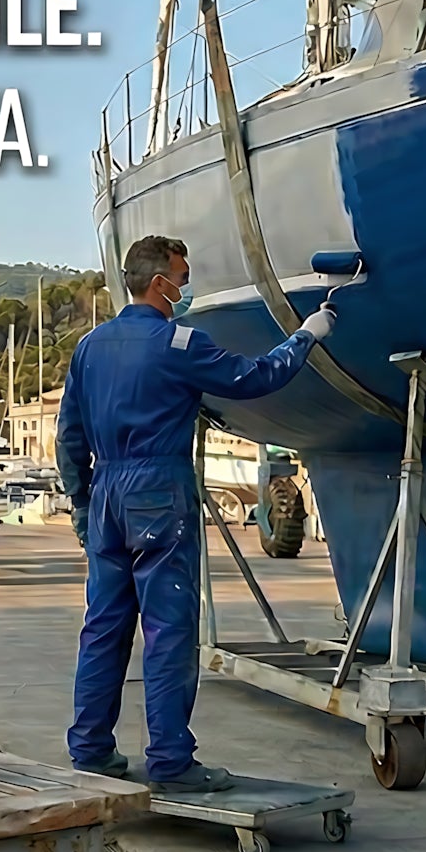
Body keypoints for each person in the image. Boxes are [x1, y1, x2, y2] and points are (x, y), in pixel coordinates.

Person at [58, 235, 334, 792]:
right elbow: (258, 378)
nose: (186, 290)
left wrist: (83, 504)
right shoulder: (179, 343)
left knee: (103, 629)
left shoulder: (90, 347)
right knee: (168, 632)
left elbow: (68, 437)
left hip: (107, 493)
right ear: (159, 284)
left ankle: (90, 749)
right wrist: (308, 335)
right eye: (182, 280)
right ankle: (170, 762)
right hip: (158, 491)